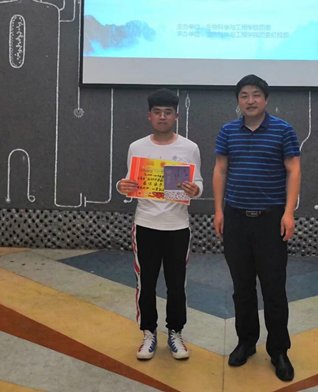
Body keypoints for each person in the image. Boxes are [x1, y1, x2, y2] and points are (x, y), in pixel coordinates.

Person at [213, 74, 301, 382]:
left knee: (274, 288)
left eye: (256, 95)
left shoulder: (283, 130)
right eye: (244, 95)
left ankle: (279, 351)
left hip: (270, 220)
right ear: (238, 100)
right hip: (236, 218)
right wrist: (218, 210)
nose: (250, 100)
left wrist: (288, 213)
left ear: (266, 99)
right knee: (242, 287)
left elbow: (293, 169)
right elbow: (220, 169)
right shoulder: (228, 131)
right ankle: (246, 342)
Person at [116, 88, 203, 361]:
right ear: (149, 116)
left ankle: (175, 332)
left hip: (177, 226)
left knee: (177, 285)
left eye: (168, 112)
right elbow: (131, 182)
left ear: (176, 116)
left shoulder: (189, 148)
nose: (162, 117)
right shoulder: (137, 147)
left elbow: (198, 182)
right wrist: (121, 186)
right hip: (146, 224)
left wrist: (195, 190)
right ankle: (148, 333)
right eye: (157, 112)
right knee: (146, 283)